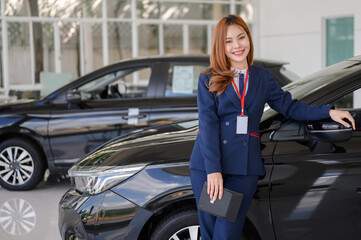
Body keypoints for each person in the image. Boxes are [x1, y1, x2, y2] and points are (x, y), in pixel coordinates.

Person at [189, 14, 355, 240]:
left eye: (241, 37)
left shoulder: (262, 78)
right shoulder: (208, 78)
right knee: (210, 234)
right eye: (229, 41)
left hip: (242, 167)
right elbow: (207, 126)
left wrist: (328, 112)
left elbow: (290, 107)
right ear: (221, 45)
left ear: (249, 38)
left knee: (225, 235)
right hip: (209, 167)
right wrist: (213, 171)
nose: (237, 45)